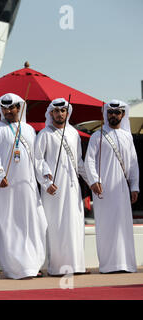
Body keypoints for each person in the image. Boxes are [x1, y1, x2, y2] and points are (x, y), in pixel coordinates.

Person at [0, 93, 47, 279]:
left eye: (12, 107)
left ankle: (32, 264)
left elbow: (37, 158)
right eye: (5, 108)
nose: (8, 111)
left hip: (28, 185)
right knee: (10, 225)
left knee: (33, 223)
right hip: (5, 187)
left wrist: (46, 174)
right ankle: (14, 268)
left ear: (19, 108)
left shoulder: (29, 129)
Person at [34, 98, 89, 276]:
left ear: (67, 112)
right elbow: (38, 160)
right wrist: (46, 182)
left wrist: (92, 181)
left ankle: (77, 266)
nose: (59, 114)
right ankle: (57, 268)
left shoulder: (73, 133)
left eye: (63, 111)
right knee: (56, 225)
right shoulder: (44, 134)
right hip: (53, 189)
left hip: (72, 188)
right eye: (56, 111)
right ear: (51, 113)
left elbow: (79, 162)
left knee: (74, 224)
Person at [85, 100, 139, 273]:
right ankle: (108, 266)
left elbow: (132, 164)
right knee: (106, 225)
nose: (113, 115)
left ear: (123, 115)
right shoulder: (97, 135)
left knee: (123, 225)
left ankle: (126, 264)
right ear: (106, 114)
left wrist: (134, 187)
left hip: (122, 189)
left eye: (117, 113)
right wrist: (94, 181)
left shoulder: (127, 136)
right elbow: (89, 161)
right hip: (103, 189)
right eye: (110, 112)